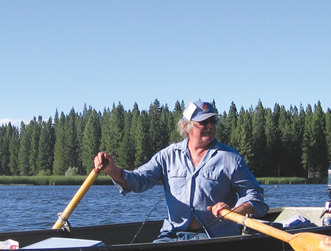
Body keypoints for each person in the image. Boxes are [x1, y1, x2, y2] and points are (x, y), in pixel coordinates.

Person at [93, 100, 268, 241]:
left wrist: (234, 211)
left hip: (213, 238)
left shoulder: (230, 158)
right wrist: (112, 170)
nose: (210, 126)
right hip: (172, 235)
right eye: (203, 122)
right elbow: (138, 181)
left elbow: (255, 197)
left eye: (213, 121)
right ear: (186, 126)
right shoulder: (167, 155)